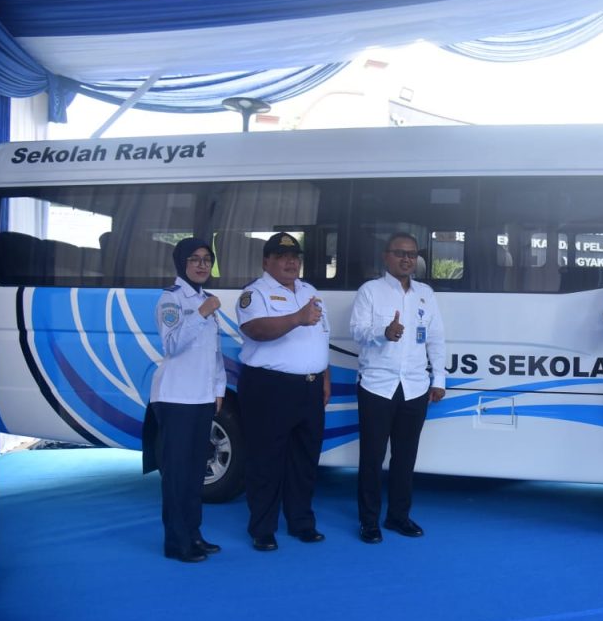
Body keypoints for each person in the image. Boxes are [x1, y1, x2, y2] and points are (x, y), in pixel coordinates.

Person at [235, 232, 330, 551]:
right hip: (269, 388)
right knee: (266, 460)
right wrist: (296, 318)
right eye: (281, 256)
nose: (291, 262)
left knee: (304, 460)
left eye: (295, 257)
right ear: (266, 262)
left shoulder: (309, 291)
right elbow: (256, 330)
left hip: (310, 387)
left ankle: (301, 521)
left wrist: (324, 377)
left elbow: (321, 337)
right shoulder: (254, 293)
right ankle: (262, 528)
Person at [349, 233, 446, 544]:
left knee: (405, 458)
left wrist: (439, 379)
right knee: (372, 458)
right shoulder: (370, 292)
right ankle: (369, 522)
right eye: (400, 253)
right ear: (386, 257)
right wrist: (384, 332)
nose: (407, 259)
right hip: (377, 386)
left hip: (415, 387)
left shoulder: (426, 294)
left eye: (412, 254)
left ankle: (398, 517)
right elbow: (358, 332)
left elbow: (436, 339)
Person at [148, 237, 225, 563]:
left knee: (196, 473)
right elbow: (173, 345)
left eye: (207, 259)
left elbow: (214, 354)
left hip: (202, 398)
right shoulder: (172, 299)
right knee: (178, 474)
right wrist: (203, 314)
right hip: (176, 398)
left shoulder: (205, 298)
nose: (202, 264)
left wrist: (219, 390)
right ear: (181, 263)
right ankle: (176, 542)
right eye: (194, 259)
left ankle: (194, 534)